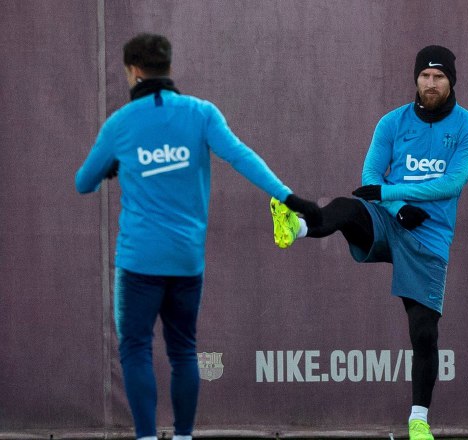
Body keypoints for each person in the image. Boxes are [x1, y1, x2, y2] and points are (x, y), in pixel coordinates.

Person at [75, 33, 320, 440]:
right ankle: (185, 437)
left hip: (138, 262)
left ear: (132, 71)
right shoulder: (201, 114)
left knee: (135, 349)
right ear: (169, 68)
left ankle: (147, 437)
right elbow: (243, 157)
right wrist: (290, 197)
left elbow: (84, 182)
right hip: (187, 260)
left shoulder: (120, 124)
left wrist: (111, 166)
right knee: (183, 350)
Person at [269, 45, 468, 440]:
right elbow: (370, 178)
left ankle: (418, 421)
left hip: (429, 236)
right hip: (388, 219)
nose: (431, 83)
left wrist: (392, 193)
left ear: (452, 80)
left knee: (423, 332)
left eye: (438, 77)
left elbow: (451, 183)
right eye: (424, 76)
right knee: (347, 208)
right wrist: (397, 205)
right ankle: (297, 226)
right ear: (415, 79)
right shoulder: (392, 122)